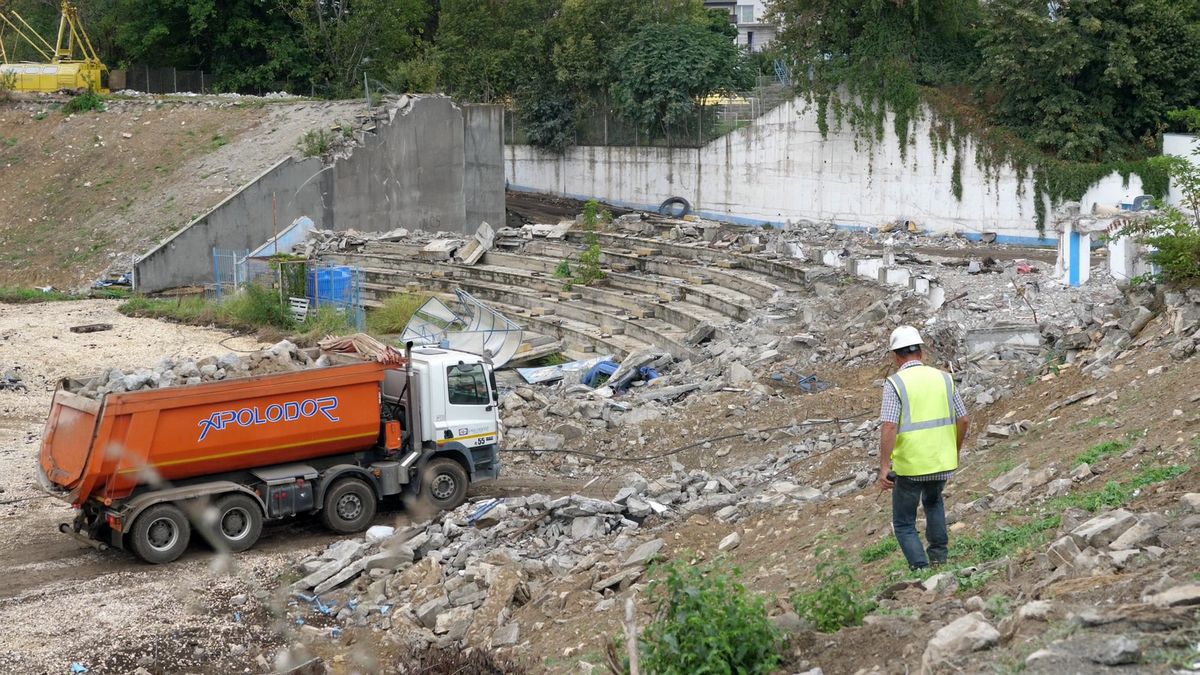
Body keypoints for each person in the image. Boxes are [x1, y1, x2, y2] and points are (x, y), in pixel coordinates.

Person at [877, 325, 970, 570]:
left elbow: (889, 426)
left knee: (904, 522)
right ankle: (939, 560)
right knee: (934, 503)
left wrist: (884, 466)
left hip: (911, 466)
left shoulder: (895, 383)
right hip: (941, 461)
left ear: (896, 356)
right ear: (921, 352)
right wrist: (954, 449)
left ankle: (920, 568)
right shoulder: (945, 378)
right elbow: (963, 420)